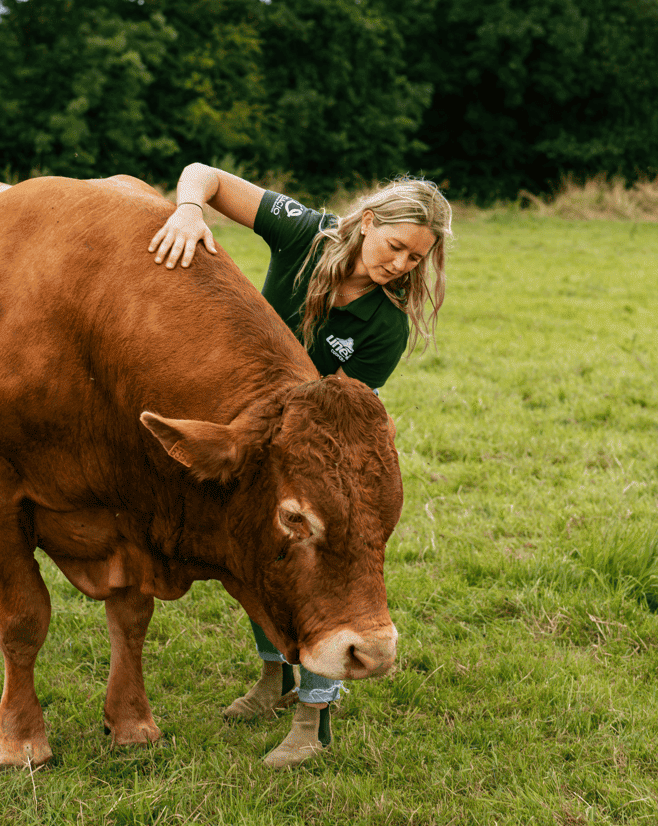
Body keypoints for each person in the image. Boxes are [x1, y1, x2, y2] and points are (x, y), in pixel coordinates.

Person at [148, 162, 452, 767]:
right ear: (367, 223)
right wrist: (187, 210)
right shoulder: (304, 235)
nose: (400, 265)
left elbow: (336, 421)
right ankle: (274, 680)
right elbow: (203, 175)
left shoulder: (385, 325)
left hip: (316, 455)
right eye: (395, 247)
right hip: (259, 434)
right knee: (265, 554)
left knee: (323, 569)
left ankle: (314, 722)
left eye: (415, 260)